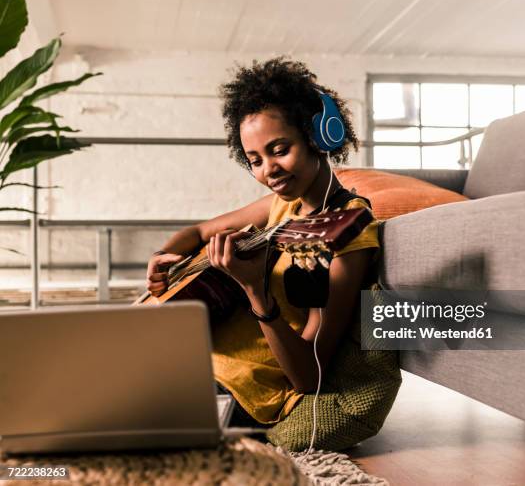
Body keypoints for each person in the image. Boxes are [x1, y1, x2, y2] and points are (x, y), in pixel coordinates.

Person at [145, 57, 380, 428]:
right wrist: (165, 256)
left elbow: (310, 375)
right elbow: (198, 232)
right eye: (254, 160)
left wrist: (256, 289)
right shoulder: (279, 206)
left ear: (320, 136)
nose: (267, 170)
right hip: (195, 361)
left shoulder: (348, 229)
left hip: (247, 392)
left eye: (280, 149)